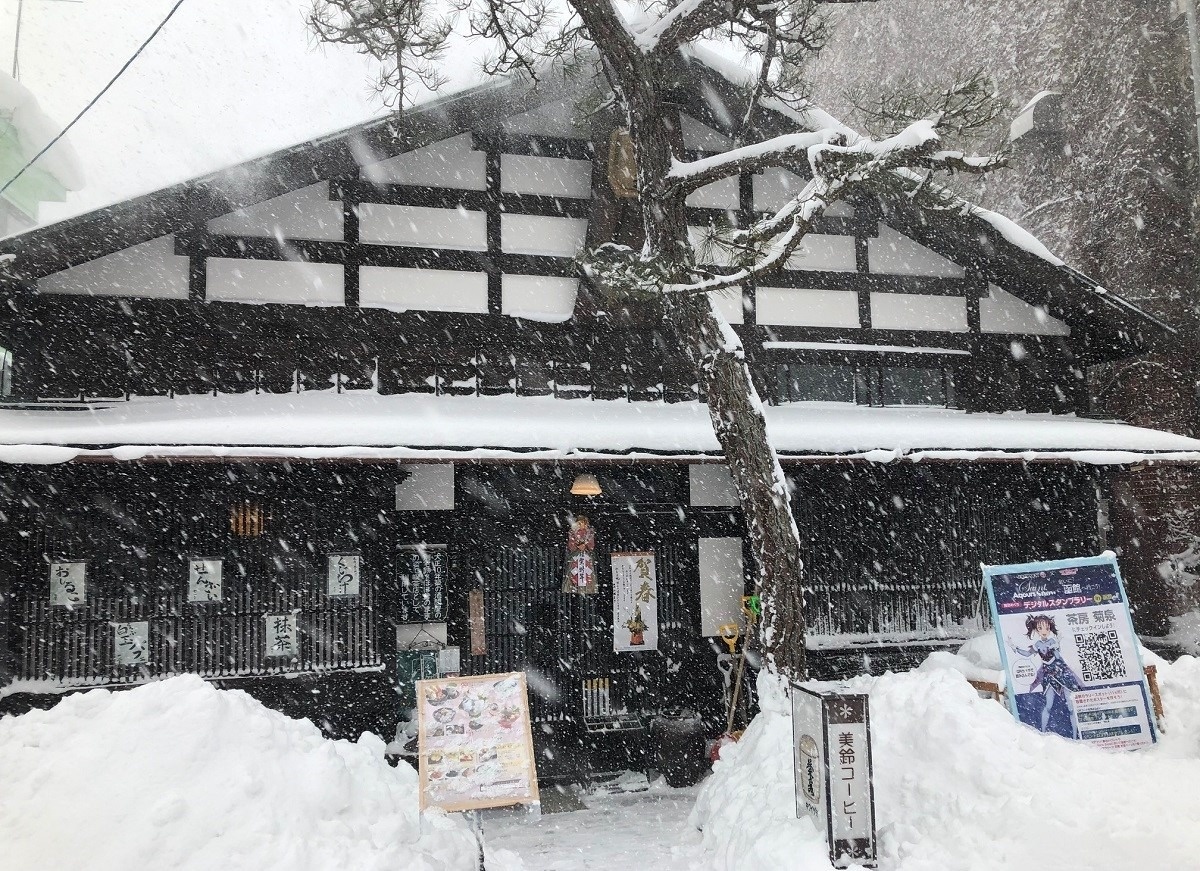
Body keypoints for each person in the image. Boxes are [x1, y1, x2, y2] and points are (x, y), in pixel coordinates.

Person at [1009, 614, 1084, 732]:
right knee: (1048, 705)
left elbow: (1058, 656)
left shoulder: (1053, 641)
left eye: (1047, 628)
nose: (1044, 631)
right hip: (1048, 674)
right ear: (1036, 629)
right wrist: (1015, 648)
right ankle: (1043, 732)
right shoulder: (1037, 644)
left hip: (1060, 672)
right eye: (1040, 628)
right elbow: (1027, 654)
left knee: (1071, 706)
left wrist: (1056, 646)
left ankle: (1075, 735)